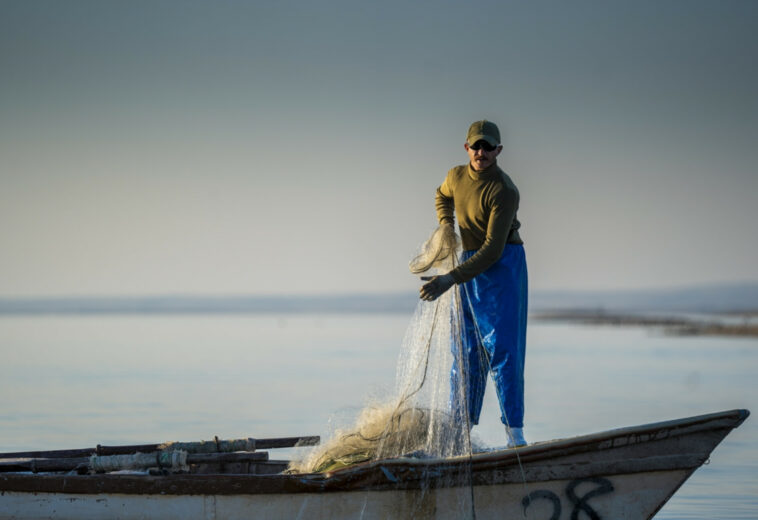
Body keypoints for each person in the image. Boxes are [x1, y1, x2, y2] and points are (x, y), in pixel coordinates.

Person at [419, 120, 528, 448]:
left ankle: (515, 435)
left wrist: (449, 279)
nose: (481, 152)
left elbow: (493, 250)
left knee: (503, 350)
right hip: (467, 261)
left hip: (503, 266)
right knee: (466, 350)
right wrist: (446, 225)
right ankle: (459, 432)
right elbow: (441, 196)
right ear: (466, 148)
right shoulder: (455, 176)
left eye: (488, 147)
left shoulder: (504, 190)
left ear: (498, 151)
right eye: (475, 146)